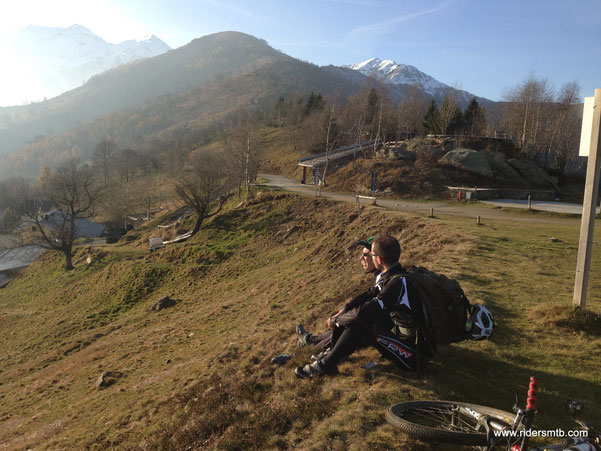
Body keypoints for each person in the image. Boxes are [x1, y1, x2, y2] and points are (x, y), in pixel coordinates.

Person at [294, 234, 431, 379]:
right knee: (358, 318)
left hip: (414, 356)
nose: (367, 257)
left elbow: (364, 313)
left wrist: (337, 321)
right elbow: (367, 295)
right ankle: (328, 357)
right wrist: (344, 312)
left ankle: (323, 366)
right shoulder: (394, 276)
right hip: (406, 341)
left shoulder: (397, 284)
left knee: (361, 321)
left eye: (370, 254)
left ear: (378, 259)